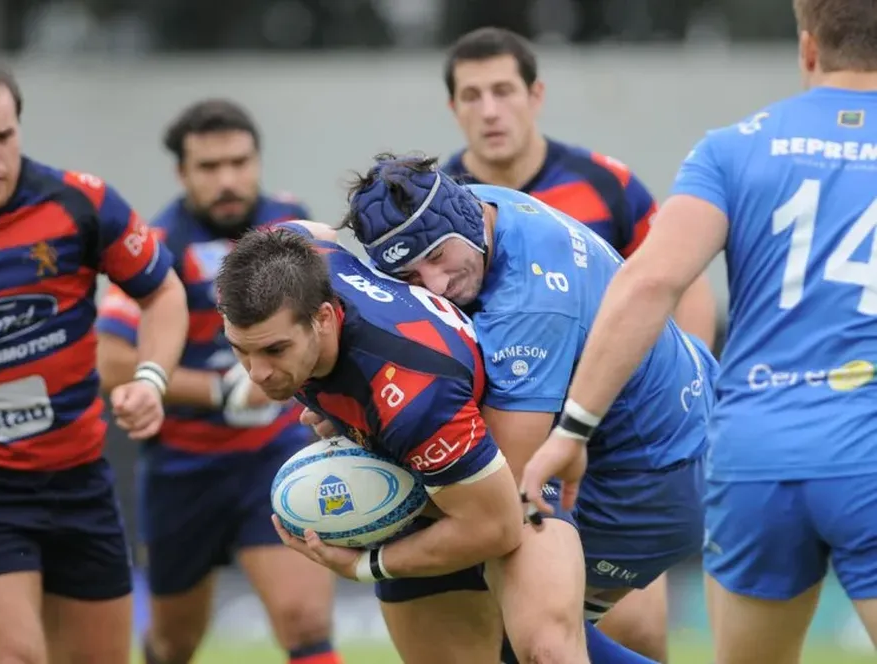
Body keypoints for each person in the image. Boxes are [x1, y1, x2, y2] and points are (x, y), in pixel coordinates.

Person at [518, 1, 877, 662]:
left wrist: (573, 430)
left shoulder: (734, 147)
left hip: (756, 452)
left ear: (807, 47)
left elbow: (650, 283)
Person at [217, 223, 662, 664]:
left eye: (275, 350)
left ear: (324, 319)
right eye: (241, 350)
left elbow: (498, 525)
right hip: (415, 463)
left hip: (502, 474)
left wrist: (365, 566)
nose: (257, 373)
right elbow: (312, 231)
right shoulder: (296, 259)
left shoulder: (410, 396)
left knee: (549, 654)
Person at [0, 47, 188, 664]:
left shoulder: (81, 204)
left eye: (3, 136)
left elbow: (164, 293)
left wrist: (152, 380)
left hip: (79, 481)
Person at [342, 154, 715, 663]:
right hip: (640, 436)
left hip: (651, 475)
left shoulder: (529, 304)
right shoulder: (482, 208)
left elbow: (503, 488)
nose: (435, 284)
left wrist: (371, 495)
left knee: (535, 641)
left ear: (464, 218)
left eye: (438, 255)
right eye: (410, 273)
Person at [440, 32, 716, 656]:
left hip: (623, 448)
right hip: (510, 446)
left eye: (504, 91)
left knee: (637, 628)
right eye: (473, 96)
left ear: (535, 95)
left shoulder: (605, 183)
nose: (490, 110)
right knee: (525, 631)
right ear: (453, 108)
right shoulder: (438, 205)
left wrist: (678, 401)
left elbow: (681, 286)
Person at [95, 99, 343, 664]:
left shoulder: (290, 225)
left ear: (258, 161)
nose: (228, 179)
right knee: (174, 643)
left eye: (239, 162)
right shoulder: (155, 244)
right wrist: (221, 392)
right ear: (182, 174)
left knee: (306, 623)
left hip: (274, 458)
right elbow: (111, 361)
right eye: (209, 167)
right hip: (182, 470)